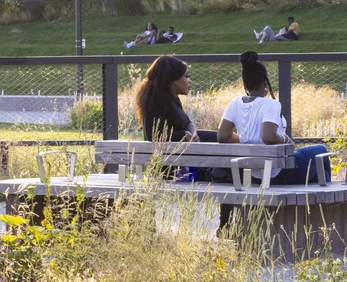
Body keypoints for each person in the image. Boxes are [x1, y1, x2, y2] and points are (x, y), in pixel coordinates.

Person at [217, 51, 331, 185]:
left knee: (315, 171)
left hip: (253, 174)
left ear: (245, 82)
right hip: (279, 173)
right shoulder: (270, 104)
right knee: (321, 150)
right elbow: (268, 137)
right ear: (264, 82)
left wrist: (245, 138)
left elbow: (222, 136)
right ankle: (330, 196)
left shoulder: (235, 103)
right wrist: (285, 139)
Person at [134, 53, 202, 143]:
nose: (189, 81)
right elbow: (152, 135)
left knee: (220, 137)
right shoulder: (156, 102)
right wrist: (184, 135)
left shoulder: (173, 98)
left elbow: (188, 123)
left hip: (185, 147)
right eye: (186, 76)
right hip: (169, 153)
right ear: (174, 80)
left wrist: (193, 133)